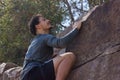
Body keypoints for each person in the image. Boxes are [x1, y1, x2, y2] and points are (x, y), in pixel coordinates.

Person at [20, 14, 82, 80]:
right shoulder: (44, 37)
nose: (48, 20)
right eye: (44, 20)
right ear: (38, 26)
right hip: (34, 72)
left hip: (27, 76)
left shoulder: (35, 41)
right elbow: (61, 43)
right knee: (69, 56)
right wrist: (76, 29)